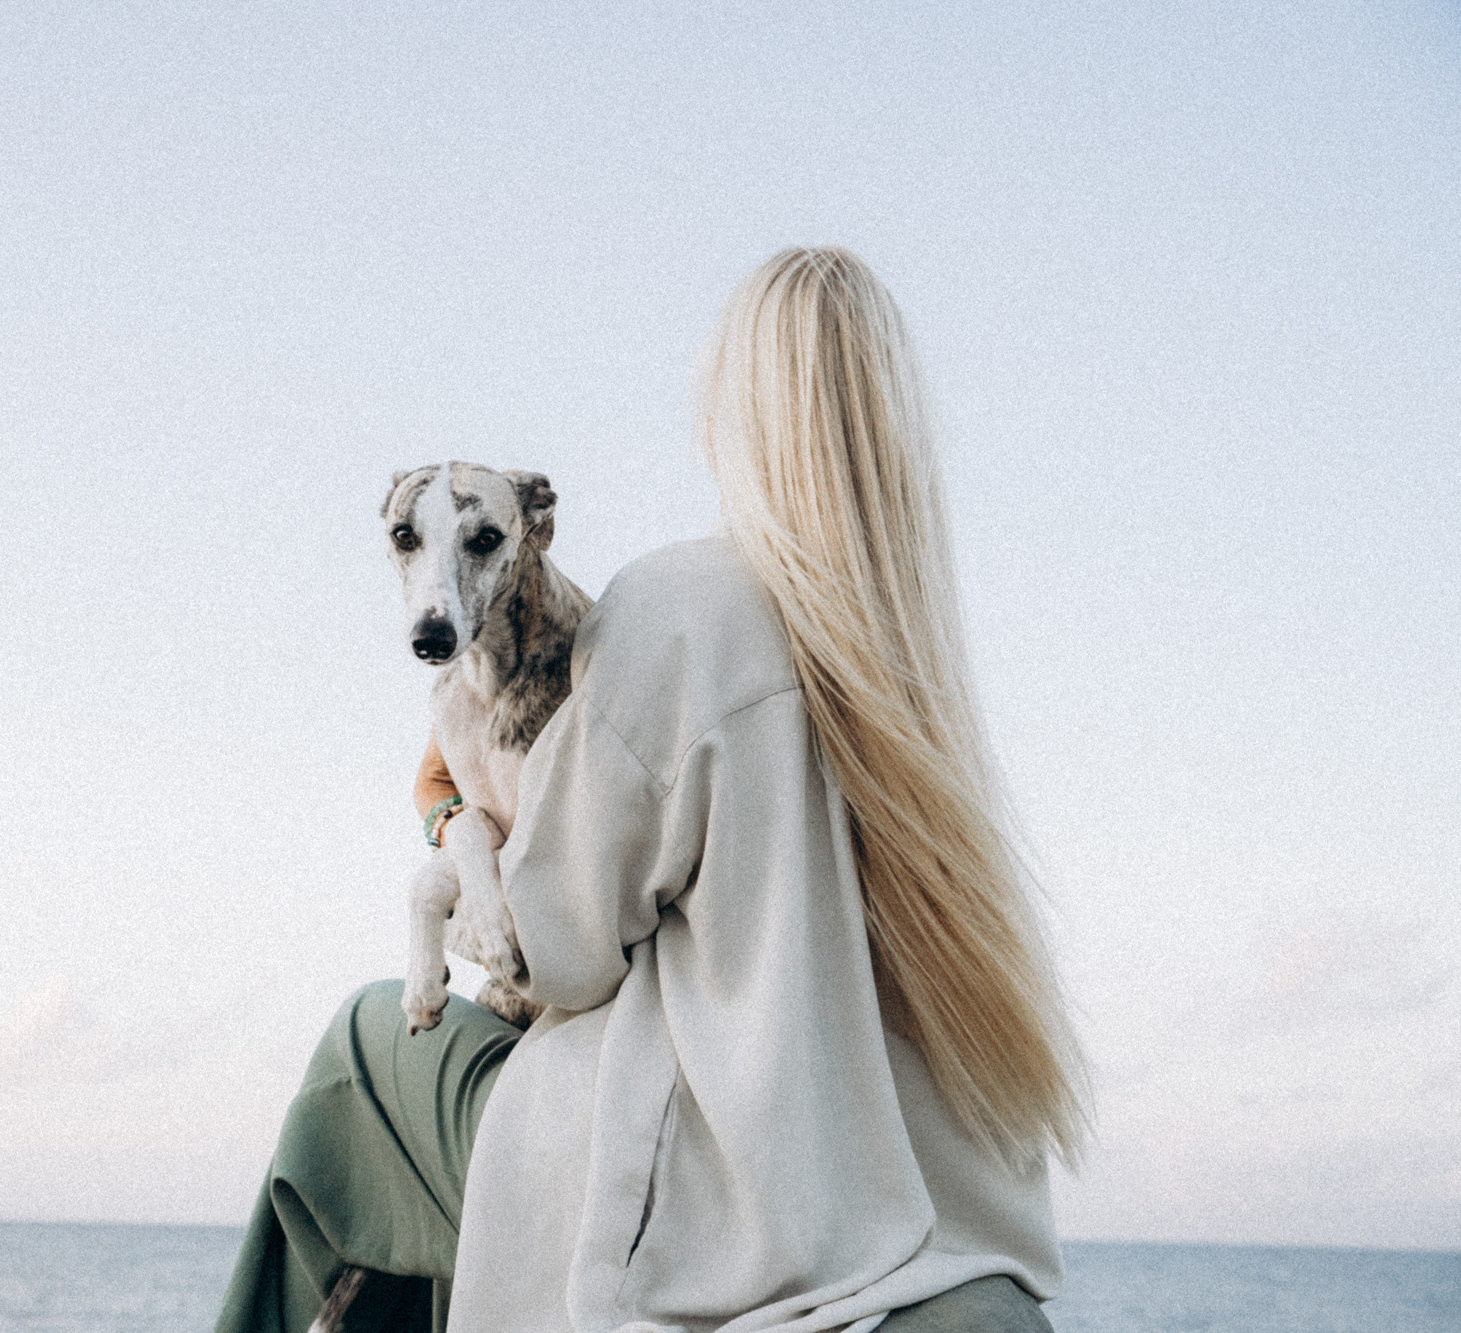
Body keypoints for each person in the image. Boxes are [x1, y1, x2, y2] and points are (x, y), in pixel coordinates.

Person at [216, 247, 1088, 1333]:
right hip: (891, 1204)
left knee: (360, 1051)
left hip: (704, 1200)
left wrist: (461, 838)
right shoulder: (922, 676)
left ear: (735, 424)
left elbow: (552, 947)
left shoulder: (682, 610)